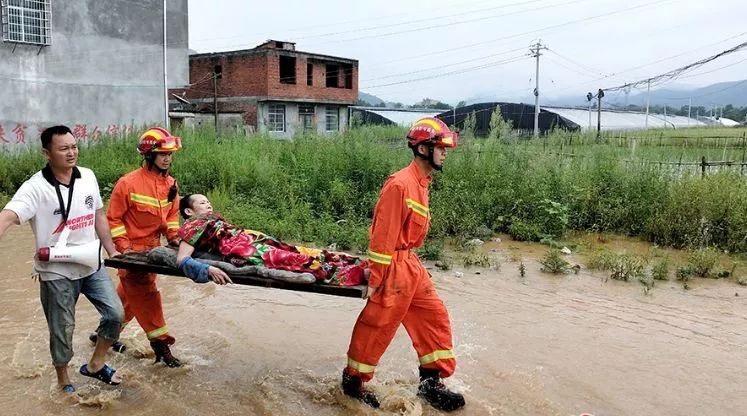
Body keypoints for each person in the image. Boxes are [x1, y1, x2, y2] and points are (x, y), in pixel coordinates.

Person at [341, 117, 466, 411]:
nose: (445, 151)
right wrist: (376, 280)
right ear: (424, 149)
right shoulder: (400, 185)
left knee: (434, 317)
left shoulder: (421, 182)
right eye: (441, 146)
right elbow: (383, 238)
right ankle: (353, 383)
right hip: (394, 267)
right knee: (378, 326)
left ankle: (431, 384)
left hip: (411, 265)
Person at [0, 125, 125, 392]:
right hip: (56, 270)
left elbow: (99, 216)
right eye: (63, 148)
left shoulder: (88, 176)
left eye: (74, 146)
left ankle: (95, 365)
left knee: (116, 313)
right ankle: (63, 380)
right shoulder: (35, 187)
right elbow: (9, 215)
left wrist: (111, 249)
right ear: (47, 153)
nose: (71, 153)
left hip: (91, 262)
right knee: (62, 329)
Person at [105, 127, 183, 368]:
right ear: (149, 155)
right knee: (147, 296)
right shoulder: (128, 183)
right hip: (132, 254)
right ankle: (162, 346)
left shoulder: (171, 184)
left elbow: (171, 217)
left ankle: (105, 336)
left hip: (154, 251)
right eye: (162, 154)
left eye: (170, 154)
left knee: (128, 299)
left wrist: (174, 238)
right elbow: (113, 219)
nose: (167, 158)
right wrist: (125, 248)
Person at [175, 194, 367, 286]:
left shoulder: (213, 220)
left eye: (208, 201)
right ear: (189, 212)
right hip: (249, 252)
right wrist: (208, 269)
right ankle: (359, 274)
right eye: (202, 203)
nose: (208, 205)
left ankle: (358, 263)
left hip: (255, 240)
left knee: (302, 251)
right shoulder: (192, 226)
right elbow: (182, 260)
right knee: (296, 261)